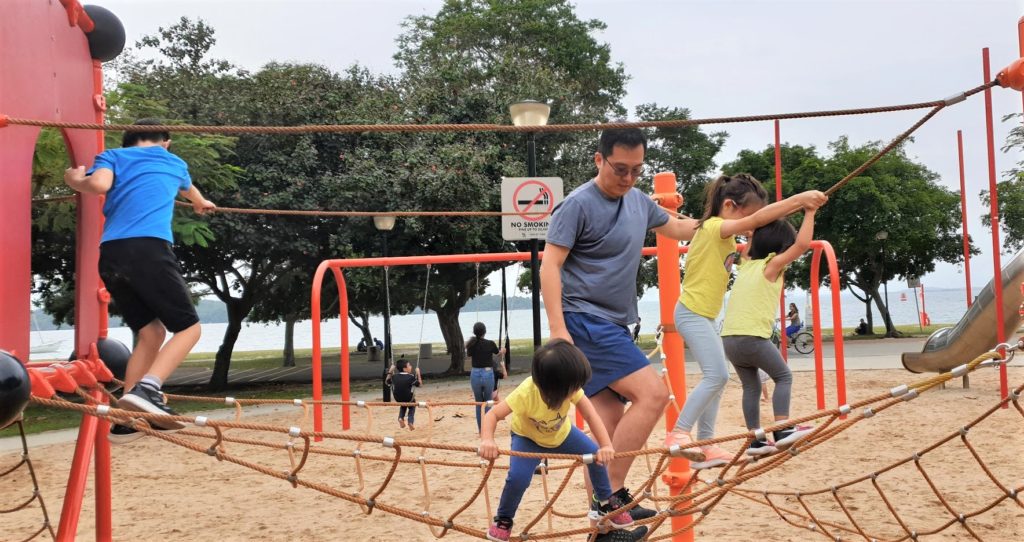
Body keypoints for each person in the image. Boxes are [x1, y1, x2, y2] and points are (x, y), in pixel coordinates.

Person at [541, 128, 705, 534]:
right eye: (619, 169)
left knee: (609, 422)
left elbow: (681, 229)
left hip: (615, 323)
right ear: (599, 160)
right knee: (654, 394)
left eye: (636, 170)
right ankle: (609, 499)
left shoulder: (639, 203)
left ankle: (607, 529)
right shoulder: (577, 205)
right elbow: (549, 266)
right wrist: (559, 329)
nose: (628, 178)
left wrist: (727, 225)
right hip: (584, 320)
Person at [64, 118, 215, 443]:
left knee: (151, 332)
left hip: (111, 255)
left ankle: (126, 419)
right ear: (166, 143)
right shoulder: (174, 163)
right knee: (189, 328)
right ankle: (148, 389)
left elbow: (100, 185)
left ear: (129, 141)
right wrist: (201, 203)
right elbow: (189, 189)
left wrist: (76, 181)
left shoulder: (114, 157)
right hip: (148, 248)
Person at [665, 173, 826, 469]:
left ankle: (707, 444)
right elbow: (752, 223)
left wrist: (660, 209)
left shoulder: (712, 231)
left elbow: (681, 222)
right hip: (691, 312)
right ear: (729, 205)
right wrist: (800, 202)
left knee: (719, 379)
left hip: (707, 316)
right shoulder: (715, 227)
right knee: (718, 376)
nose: (752, 227)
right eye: (751, 218)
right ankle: (679, 433)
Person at [479, 340, 633, 541]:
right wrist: (487, 440)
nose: (577, 391)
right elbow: (492, 415)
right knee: (517, 478)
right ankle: (504, 520)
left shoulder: (571, 388)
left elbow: (591, 416)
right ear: (552, 389)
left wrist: (605, 445)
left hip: (562, 435)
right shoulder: (526, 392)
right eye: (573, 388)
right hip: (528, 438)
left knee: (595, 456)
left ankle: (605, 501)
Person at [720, 212, 819, 457]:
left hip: (729, 340)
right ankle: (783, 429)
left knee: (751, 388)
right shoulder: (771, 266)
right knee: (783, 376)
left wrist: (752, 231)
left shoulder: (745, 265)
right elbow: (803, 245)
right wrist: (810, 212)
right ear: (780, 249)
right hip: (752, 337)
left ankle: (755, 441)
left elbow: (751, 244)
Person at [467, 322, 505, 432]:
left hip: (475, 374)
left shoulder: (471, 344)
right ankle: (488, 429)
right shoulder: (490, 343)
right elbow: (498, 353)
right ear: (485, 331)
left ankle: (481, 430)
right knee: (488, 401)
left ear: (474, 332)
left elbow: (469, 354)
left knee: (479, 403)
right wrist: (502, 351)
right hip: (488, 373)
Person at [391, 358, 422, 430]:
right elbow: (420, 385)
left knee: (403, 405)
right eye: (409, 365)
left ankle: (400, 418)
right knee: (412, 406)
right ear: (405, 369)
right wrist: (418, 373)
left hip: (398, 398)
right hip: (408, 398)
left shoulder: (394, 376)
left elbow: (387, 382)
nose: (411, 366)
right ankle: (410, 422)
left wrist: (390, 371)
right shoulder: (411, 377)